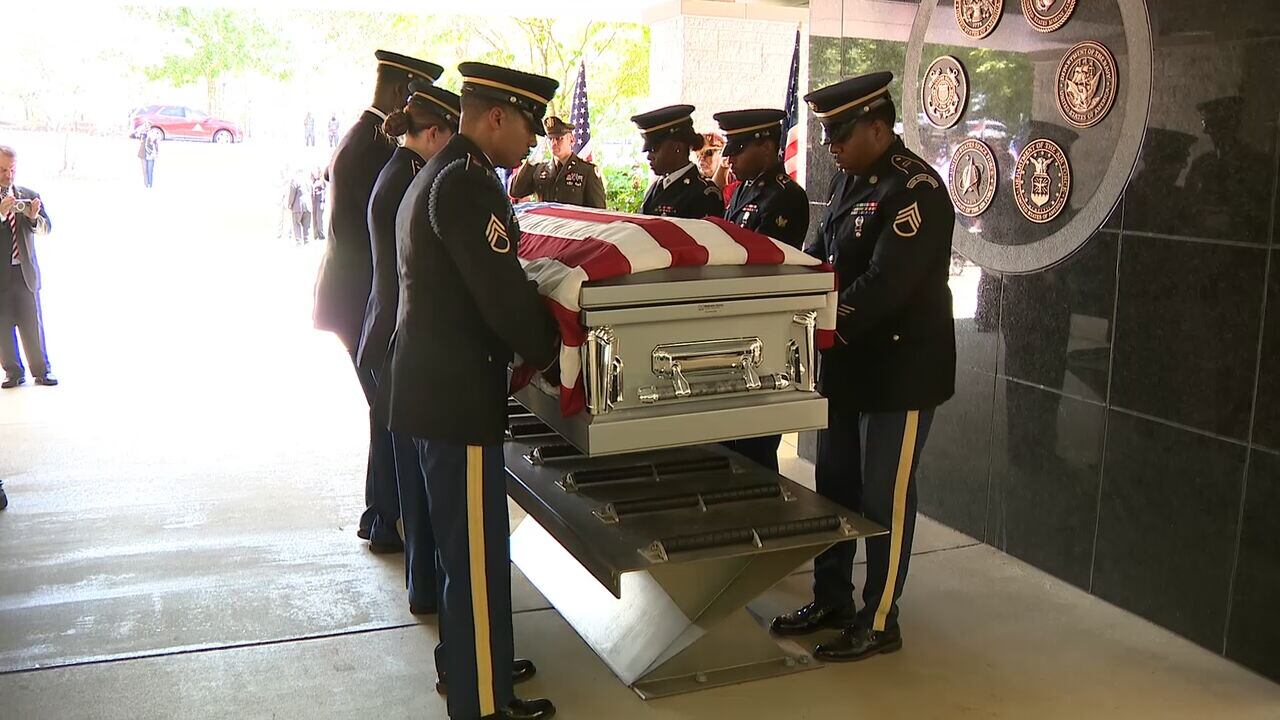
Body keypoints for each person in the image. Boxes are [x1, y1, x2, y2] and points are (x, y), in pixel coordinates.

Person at [377, 61, 561, 720]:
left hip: (433, 389)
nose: (535, 141)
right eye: (530, 125)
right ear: (496, 118)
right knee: (478, 556)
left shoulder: (441, 172)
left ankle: (468, 662)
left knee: (463, 551)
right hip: (456, 397)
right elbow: (503, 296)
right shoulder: (466, 184)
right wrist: (553, 352)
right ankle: (484, 700)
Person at [770, 72, 956, 662]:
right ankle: (833, 598)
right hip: (848, 366)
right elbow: (829, 260)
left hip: (899, 371)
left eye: (841, 134)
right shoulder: (852, 179)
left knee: (884, 500)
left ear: (879, 127)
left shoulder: (916, 190)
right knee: (836, 492)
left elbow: (885, 283)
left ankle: (879, 619)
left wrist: (824, 326)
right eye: (828, 136)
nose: (831, 147)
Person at [313, 50, 443, 552]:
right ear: (400, 94)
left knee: (384, 414)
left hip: (353, 297)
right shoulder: (376, 149)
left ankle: (379, 516)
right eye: (416, 100)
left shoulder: (362, 138)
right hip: (364, 301)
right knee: (391, 414)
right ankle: (386, 519)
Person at [357, 79, 461, 617]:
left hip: (386, 335)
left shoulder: (402, 172)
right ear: (436, 131)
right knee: (416, 481)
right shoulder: (409, 181)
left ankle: (421, 584)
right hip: (396, 341)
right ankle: (425, 588)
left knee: (408, 471)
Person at [712, 108, 811, 473]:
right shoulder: (742, 192)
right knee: (727, 445)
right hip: (732, 329)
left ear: (768, 145)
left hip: (761, 336)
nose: (729, 157)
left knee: (755, 449)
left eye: (737, 148)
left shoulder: (784, 198)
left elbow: (767, 269)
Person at [0, 146, 57, 389]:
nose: (8, 175)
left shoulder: (29, 194)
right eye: (3, 170)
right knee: (2, 326)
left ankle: (42, 371)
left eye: (12, 169)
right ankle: (13, 372)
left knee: (33, 323)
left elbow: (47, 228)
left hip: (26, 274)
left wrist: (33, 217)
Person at [630, 105, 724, 218]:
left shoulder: (703, 193)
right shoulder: (657, 187)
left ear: (677, 148)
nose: (649, 156)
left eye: (654, 149)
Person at [509, 116, 605, 208]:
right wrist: (530, 163)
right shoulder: (538, 169)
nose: (554, 143)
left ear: (571, 139)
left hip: (574, 224)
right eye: (550, 139)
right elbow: (515, 192)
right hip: (547, 223)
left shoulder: (587, 171)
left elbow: (598, 211)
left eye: (559, 138)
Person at [287, 171, 312, 246]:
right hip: (308, 206)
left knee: (296, 223)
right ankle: (306, 240)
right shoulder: (308, 180)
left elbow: (292, 194)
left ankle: (299, 241)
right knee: (306, 225)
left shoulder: (295, 180)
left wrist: (290, 204)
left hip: (298, 206)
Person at [310, 168, 327, 241]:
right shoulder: (313, 182)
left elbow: (323, 193)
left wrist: (322, 202)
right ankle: (315, 234)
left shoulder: (321, 182)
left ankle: (321, 234)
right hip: (314, 202)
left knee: (319, 218)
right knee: (314, 218)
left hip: (319, 202)